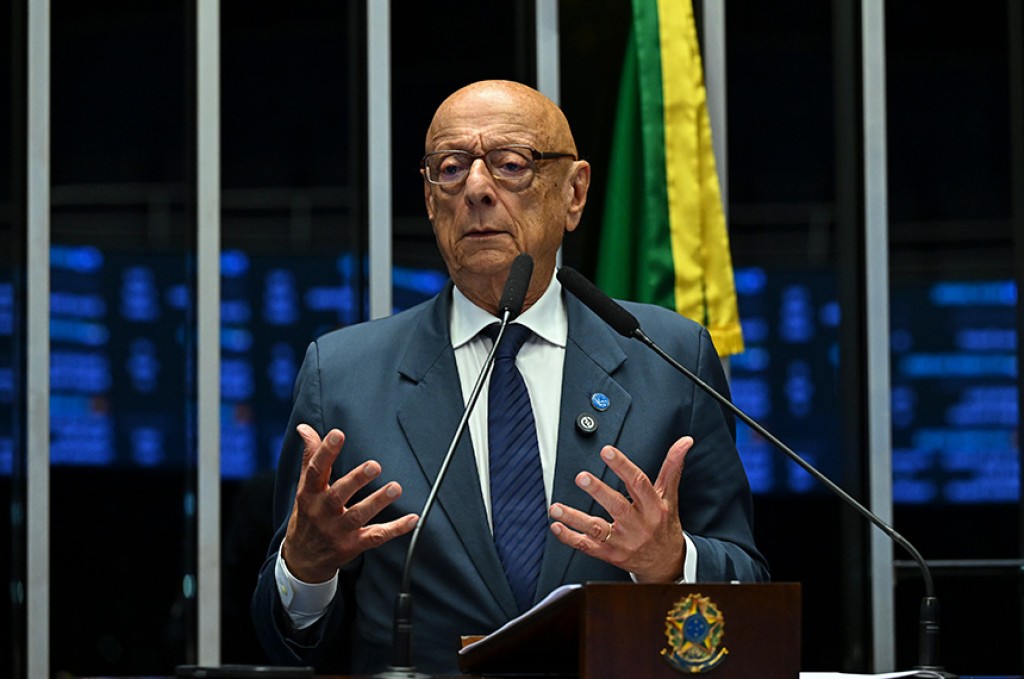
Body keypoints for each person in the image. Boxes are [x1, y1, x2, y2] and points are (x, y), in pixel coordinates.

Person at [251, 79, 768, 674]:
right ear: (429, 200)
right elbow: (285, 640)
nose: (476, 188)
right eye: (450, 168)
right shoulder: (343, 376)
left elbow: (751, 593)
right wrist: (306, 570)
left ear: (574, 193)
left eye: (511, 164)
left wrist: (671, 563)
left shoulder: (669, 357)